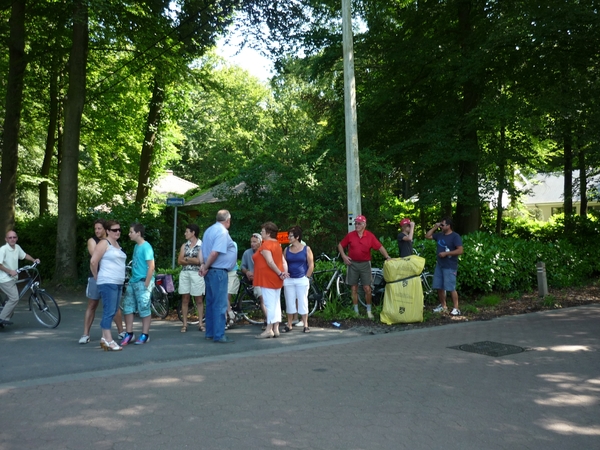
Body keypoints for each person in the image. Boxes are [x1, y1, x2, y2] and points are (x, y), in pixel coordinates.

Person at [79, 219, 125, 344]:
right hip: (98, 277)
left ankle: (121, 332)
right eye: (95, 229)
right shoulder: (94, 241)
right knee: (93, 305)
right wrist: (96, 276)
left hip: (113, 279)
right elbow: (95, 258)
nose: (97, 231)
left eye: (99, 228)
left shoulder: (114, 242)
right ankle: (86, 334)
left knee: (113, 307)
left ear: (105, 229)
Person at [337, 215, 391, 318]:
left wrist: (387, 257)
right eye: (356, 223)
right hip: (352, 264)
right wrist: (344, 256)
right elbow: (340, 245)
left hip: (365, 264)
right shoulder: (350, 235)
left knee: (367, 288)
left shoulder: (370, 236)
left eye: (359, 223)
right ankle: (356, 311)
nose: (356, 225)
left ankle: (369, 311)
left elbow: (379, 247)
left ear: (364, 225)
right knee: (354, 288)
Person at [198, 210, 237, 343]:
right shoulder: (222, 232)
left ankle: (210, 332)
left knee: (210, 303)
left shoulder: (209, 230)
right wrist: (207, 266)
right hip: (218, 271)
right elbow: (214, 253)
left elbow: (202, 250)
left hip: (210, 272)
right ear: (228, 221)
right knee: (220, 304)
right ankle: (219, 335)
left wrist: (203, 265)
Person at [90, 220, 127, 351]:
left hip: (117, 282)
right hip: (107, 282)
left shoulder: (116, 244)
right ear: (108, 231)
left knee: (114, 310)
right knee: (109, 311)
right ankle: (108, 339)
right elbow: (93, 261)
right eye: (114, 230)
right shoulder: (104, 243)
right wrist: (96, 276)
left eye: (119, 230)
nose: (118, 232)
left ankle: (104, 338)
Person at [121, 223, 155, 345]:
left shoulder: (146, 247)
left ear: (138, 233)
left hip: (142, 282)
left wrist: (146, 283)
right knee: (128, 307)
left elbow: (151, 266)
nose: (129, 234)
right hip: (133, 281)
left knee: (144, 308)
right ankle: (129, 334)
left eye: (131, 232)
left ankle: (145, 334)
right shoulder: (136, 247)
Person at [253, 222, 287, 338]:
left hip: (267, 278)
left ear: (268, 233)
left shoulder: (266, 245)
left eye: (262, 232)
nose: (261, 233)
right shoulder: (277, 244)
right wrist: (283, 273)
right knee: (276, 303)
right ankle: (276, 329)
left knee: (269, 304)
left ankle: (269, 329)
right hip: (275, 278)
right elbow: (282, 261)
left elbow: (270, 262)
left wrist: (280, 273)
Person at [0, 231, 41, 326]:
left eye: (14, 237)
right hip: (4, 278)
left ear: (17, 238)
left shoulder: (17, 248)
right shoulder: (3, 250)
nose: (12, 239)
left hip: (12, 278)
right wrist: (9, 271)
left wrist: (33, 260)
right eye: (10, 237)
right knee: (14, 298)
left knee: (11, 299)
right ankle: (1, 319)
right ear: (6, 239)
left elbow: (24, 255)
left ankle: (5, 318)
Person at [425, 217, 464, 316]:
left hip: (450, 265)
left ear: (448, 226)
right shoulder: (440, 235)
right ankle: (443, 306)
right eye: (441, 225)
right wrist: (435, 227)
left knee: (451, 287)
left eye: (443, 225)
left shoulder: (455, 236)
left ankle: (456, 308)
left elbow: (460, 250)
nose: (441, 226)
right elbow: (427, 236)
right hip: (440, 265)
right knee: (439, 286)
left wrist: (446, 254)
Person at [282, 226, 314, 333]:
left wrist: (307, 277)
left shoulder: (306, 249)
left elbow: (311, 264)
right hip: (289, 280)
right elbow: (283, 263)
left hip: (302, 279)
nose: (288, 238)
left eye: (290, 236)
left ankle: (305, 324)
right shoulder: (287, 250)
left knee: (303, 301)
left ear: (297, 237)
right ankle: (289, 324)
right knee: (289, 301)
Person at [177, 224, 205, 333]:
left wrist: (186, 258)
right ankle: (184, 324)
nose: (185, 233)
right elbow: (179, 261)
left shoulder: (201, 245)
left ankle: (201, 323)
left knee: (199, 299)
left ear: (193, 233)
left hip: (196, 274)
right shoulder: (184, 245)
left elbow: (199, 261)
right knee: (185, 298)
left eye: (187, 231)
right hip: (185, 273)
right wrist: (192, 259)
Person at [240, 233, 266, 325]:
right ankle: (268, 321)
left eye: (254, 242)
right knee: (262, 299)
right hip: (256, 281)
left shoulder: (265, 252)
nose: (252, 244)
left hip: (266, 281)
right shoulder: (247, 253)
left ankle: (270, 322)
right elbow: (242, 267)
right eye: (251, 242)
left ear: (260, 242)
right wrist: (247, 272)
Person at [225, 241, 240, 329]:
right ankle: (229, 318)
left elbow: (232, 259)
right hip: (223, 272)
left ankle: (230, 315)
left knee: (226, 296)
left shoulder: (233, 244)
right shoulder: (218, 244)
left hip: (232, 271)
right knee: (225, 297)